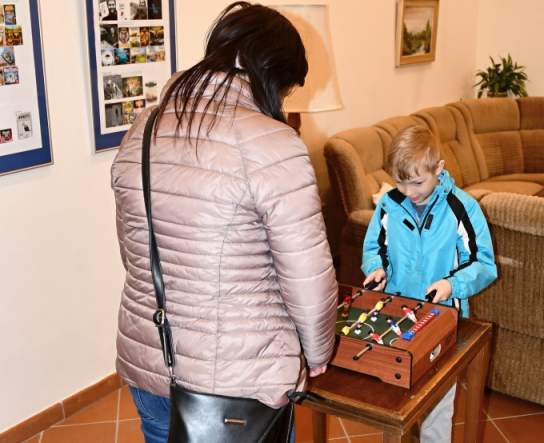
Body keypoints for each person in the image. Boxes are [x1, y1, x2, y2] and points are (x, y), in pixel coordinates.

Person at [111, 2, 338, 442]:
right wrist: (317, 351)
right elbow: (307, 275)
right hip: (240, 380)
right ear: (271, 75)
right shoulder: (273, 143)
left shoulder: (145, 126)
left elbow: (134, 248)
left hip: (152, 360)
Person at [361, 125, 497, 443]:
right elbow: (374, 248)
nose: (409, 191)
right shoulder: (388, 204)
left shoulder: (462, 208)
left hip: (441, 319)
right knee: (394, 401)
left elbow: (484, 264)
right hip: (395, 316)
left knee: (437, 404)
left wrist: (452, 284)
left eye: (417, 182)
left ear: (439, 169)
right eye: (400, 182)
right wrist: (376, 269)